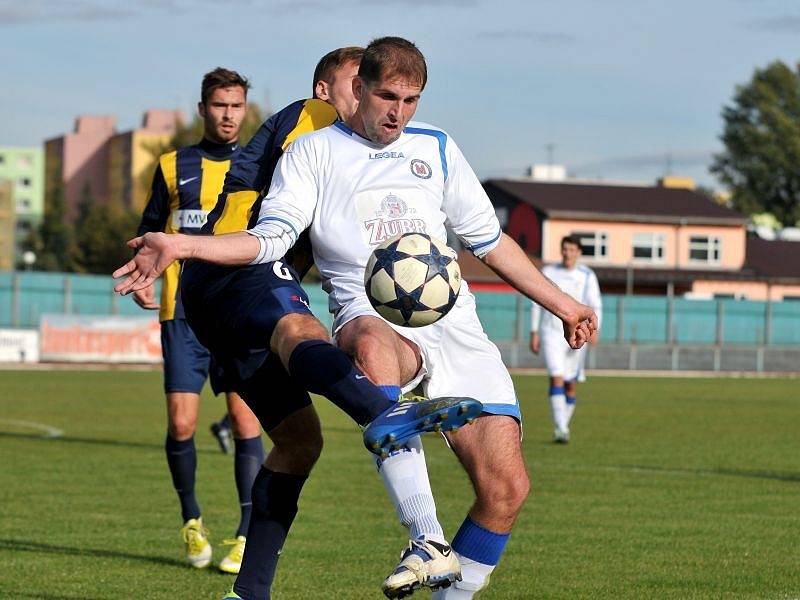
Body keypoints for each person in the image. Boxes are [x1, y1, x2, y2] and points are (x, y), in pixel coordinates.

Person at [113, 47, 479, 600]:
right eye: (359, 84)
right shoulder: (313, 120)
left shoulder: (336, 137)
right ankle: (384, 412)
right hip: (241, 270)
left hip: (213, 295)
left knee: (298, 443)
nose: (370, 97)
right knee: (298, 329)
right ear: (324, 89)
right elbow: (276, 231)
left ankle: (248, 591)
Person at [133, 67, 264, 574]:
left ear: (244, 109)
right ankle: (192, 520)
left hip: (237, 312)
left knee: (245, 418)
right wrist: (143, 275)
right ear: (203, 109)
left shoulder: (261, 166)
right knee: (182, 423)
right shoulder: (173, 166)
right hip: (182, 314)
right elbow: (148, 232)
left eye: (236, 106)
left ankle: (246, 534)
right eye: (219, 105)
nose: (228, 115)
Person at [530, 235, 602, 443]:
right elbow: (537, 301)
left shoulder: (587, 275)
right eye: (564, 249)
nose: (567, 253)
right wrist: (534, 331)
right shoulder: (549, 273)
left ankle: (564, 424)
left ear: (578, 252)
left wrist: (595, 329)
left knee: (571, 384)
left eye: (571, 250)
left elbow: (595, 304)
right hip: (551, 332)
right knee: (556, 377)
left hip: (579, 332)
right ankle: (561, 428)